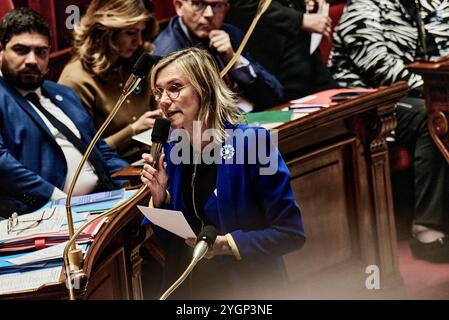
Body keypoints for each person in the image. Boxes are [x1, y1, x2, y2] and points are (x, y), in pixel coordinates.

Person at [140, 47, 305, 299]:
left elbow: (291, 233)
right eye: (158, 92)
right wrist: (161, 200)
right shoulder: (173, 152)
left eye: (175, 88)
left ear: (204, 88)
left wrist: (228, 245)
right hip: (193, 289)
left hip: (248, 290)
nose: (163, 101)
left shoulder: (253, 144)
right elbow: (173, 246)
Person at [329, 0, 449, 262]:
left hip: (424, 92)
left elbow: (443, 49)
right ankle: (426, 226)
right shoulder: (362, 7)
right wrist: (439, 90)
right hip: (369, 100)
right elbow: (380, 68)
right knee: (432, 118)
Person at [0, 8, 128, 218]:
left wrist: (132, 176)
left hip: (104, 200)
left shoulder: (63, 93)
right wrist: (56, 199)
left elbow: (98, 148)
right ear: (2, 50)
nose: (32, 60)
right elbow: (1, 162)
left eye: (41, 52)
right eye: (21, 50)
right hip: (46, 214)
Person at [59, 0, 162, 162]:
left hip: (152, 159)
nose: (139, 41)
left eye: (141, 32)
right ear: (105, 31)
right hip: (112, 171)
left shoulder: (136, 61)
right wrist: (132, 130)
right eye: (130, 33)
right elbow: (83, 155)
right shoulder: (76, 79)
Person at [152, 0, 284, 110]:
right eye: (198, 4)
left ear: (226, 8)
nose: (209, 14)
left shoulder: (231, 34)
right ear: (179, 6)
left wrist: (234, 60)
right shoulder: (167, 54)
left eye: (217, 5)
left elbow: (275, 94)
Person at [227, 0, 339, 103]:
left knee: (336, 102)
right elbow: (246, 3)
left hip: (301, 42)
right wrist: (300, 19)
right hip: (270, 50)